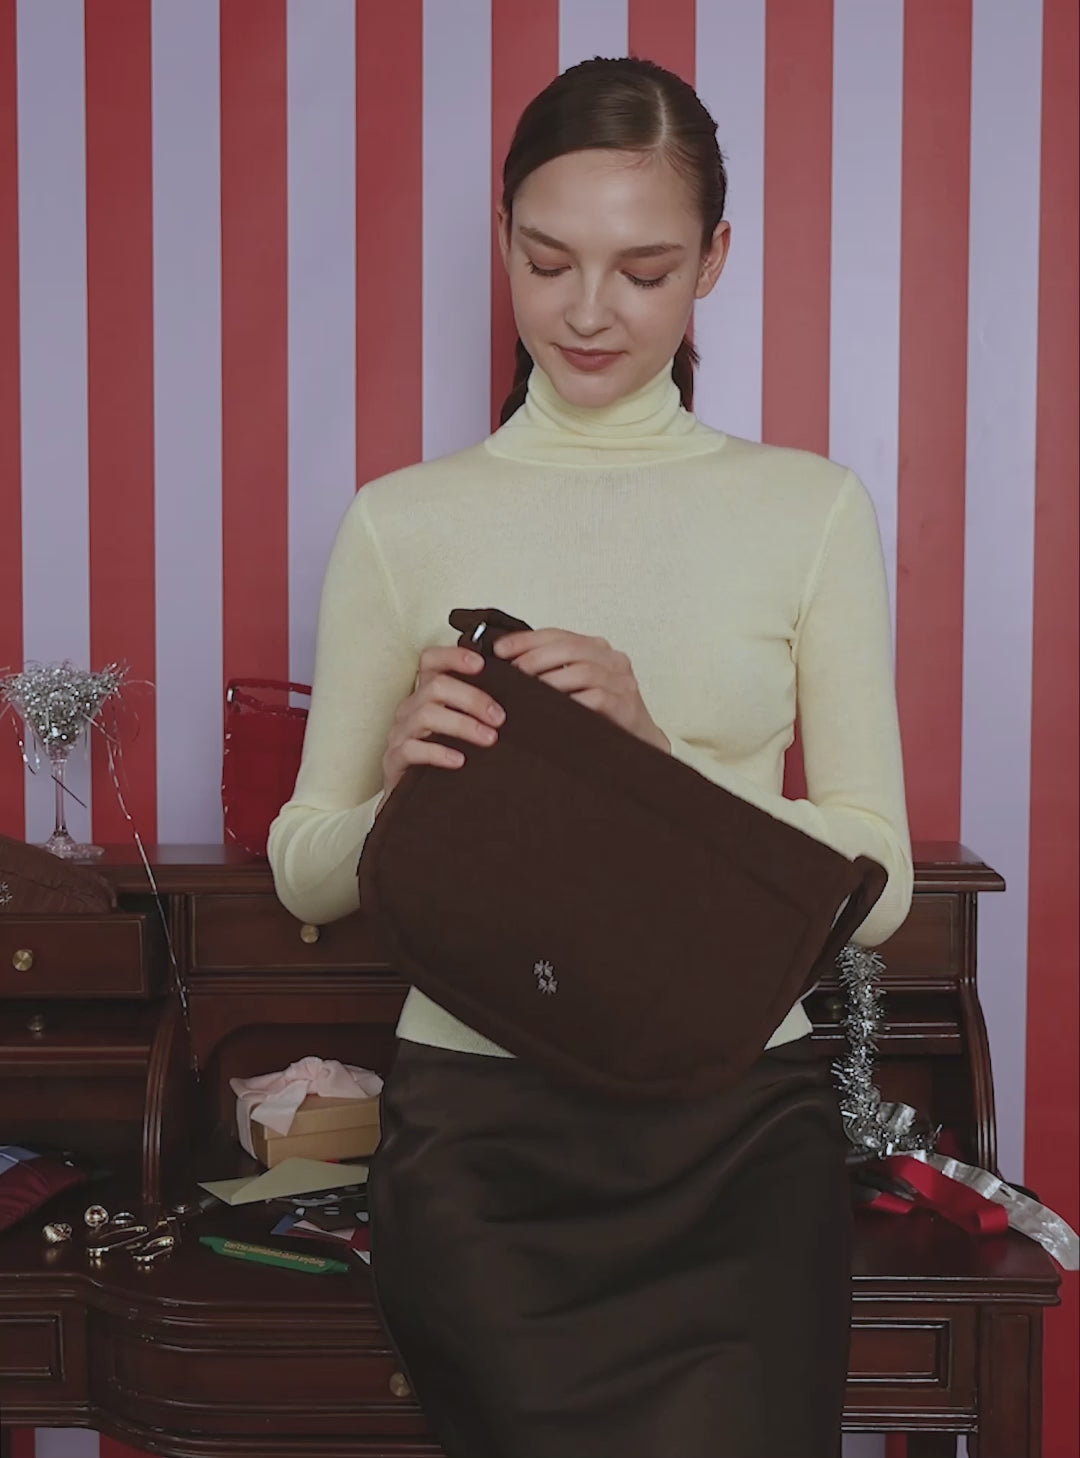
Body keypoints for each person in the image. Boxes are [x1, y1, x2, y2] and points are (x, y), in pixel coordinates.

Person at [268, 55, 912, 1458]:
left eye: (644, 269)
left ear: (715, 262)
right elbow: (307, 869)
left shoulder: (809, 509)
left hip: (737, 1134)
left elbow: (880, 880)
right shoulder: (400, 521)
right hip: (481, 1151)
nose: (586, 311)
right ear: (502, 240)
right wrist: (399, 789)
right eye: (547, 260)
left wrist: (651, 765)